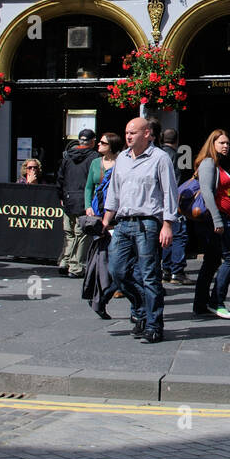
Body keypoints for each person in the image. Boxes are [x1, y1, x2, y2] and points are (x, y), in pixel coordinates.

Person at [101, 117, 178, 343]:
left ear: (147, 134)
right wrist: (106, 219)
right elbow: (114, 192)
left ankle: (154, 324)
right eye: (126, 132)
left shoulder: (160, 158)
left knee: (149, 275)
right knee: (117, 270)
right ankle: (141, 307)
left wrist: (168, 224)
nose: (128, 136)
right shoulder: (122, 159)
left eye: (133, 132)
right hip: (124, 223)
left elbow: (169, 192)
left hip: (148, 224)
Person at [191, 129, 230, 320]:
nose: (226, 146)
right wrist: (218, 220)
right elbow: (207, 193)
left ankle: (200, 304)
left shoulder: (222, 164)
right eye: (221, 143)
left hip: (222, 217)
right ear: (212, 144)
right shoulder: (208, 163)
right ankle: (216, 301)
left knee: (211, 262)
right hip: (216, 218)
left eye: (227, 143)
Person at [56, 128, 100, 278]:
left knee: (69, 233)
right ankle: (76, 267)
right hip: (83, 199)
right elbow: (94, 181)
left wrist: (61, 195)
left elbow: (60, 178)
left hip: (68, 198)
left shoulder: (68, 156)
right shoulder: (94, 157)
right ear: (92, 141)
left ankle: (64, 261)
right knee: (81, 234)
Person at [159, 129, 192, 285]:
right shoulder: (173, 156)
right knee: (179, 235)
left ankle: (166, 269)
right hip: (172, 202)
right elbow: (175, 183)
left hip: (160, 202)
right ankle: (177, 271)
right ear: (177, 140)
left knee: (167, 237)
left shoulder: (158, 155)